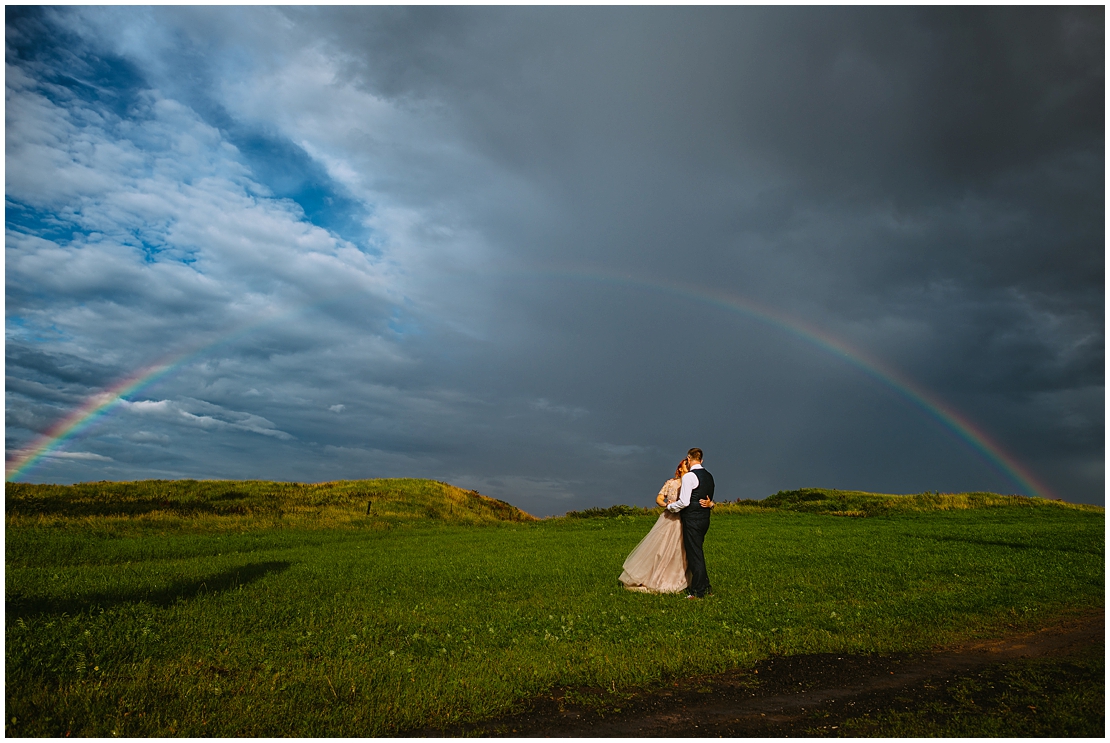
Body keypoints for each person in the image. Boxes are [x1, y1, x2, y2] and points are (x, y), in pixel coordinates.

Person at [618, 456, 715, 594]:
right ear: (680, 468)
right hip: (671, 518)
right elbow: (659, 498)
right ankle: (658, 577)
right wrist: (666, 505)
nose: (688, 467)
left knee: (682, 551)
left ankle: (684, 580)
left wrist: (711, 504)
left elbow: (698, 499)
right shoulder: (671, 483)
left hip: (685, 520)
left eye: (688, 464)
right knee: (662, 549)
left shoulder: (692, 481)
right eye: (685, 465)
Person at [667, 447, 713, 599]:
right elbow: (707, 498)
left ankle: (698, 592)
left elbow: (684, 501)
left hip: (692, 519)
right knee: (698, 552)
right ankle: (706, 588)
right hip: (705, 519)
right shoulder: (709, 476)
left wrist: (670, 507)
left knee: (694, 556)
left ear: (688, 458)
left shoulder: (689, 477)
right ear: (702, 459)